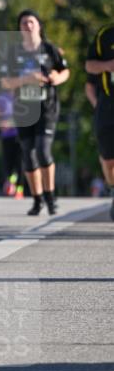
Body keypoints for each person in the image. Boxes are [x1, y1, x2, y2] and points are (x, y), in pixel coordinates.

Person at [0, 9, 69, 216]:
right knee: (28, 155)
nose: (28, 26)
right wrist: (26, 79)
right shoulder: (13, 53)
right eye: (23, 23)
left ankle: (50, 197)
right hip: (23, 109)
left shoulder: (49, 49)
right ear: (19, 28)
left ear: (39, 25)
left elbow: (65, 71)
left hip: (46, 107)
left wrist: (57, 78)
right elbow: (5, 82)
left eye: (31, 22)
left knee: (43, 151)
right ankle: (37, 199)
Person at [85, 21, 114, 221]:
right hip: (108, 105)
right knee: (108, 159)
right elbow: (89, 65)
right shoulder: (104, 34)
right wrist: (107, 65)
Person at [0, 90, 24, 199]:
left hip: (21, 135)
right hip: (7, 136)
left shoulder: (22, 97)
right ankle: (9, 185)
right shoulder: (1, 98)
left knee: (20, 163)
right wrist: (0, 124)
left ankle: (19, 190)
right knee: (8, 163)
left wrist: (11, 123)